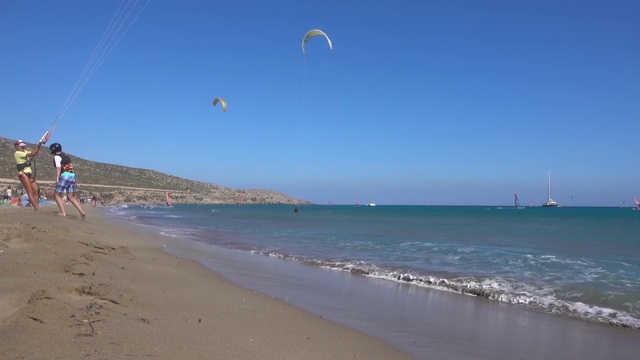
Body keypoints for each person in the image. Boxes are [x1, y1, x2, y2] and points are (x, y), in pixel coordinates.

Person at [49, 143, 85, 220]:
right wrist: (76, 179)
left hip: (65, 176)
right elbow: (71, 167)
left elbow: (58, 168)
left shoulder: (57, 157)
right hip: (72, 176)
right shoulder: (66, 156)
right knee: (71, 197)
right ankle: (82, 212)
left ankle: (63, 212)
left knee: (57, 194)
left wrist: (57, 178)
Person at [14, 139, 44, 210]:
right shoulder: (17, 153)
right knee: (29, 191)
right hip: (23, 174)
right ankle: (36, 208)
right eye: (21, 146)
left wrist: (39, 146)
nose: (23, 147)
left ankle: (36, 207)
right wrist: (39, 145)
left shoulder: (24, 152)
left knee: (36, 190)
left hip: (29, 174)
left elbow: (34, 153)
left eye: (23, 146)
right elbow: (32, 154)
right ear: (16, 146)